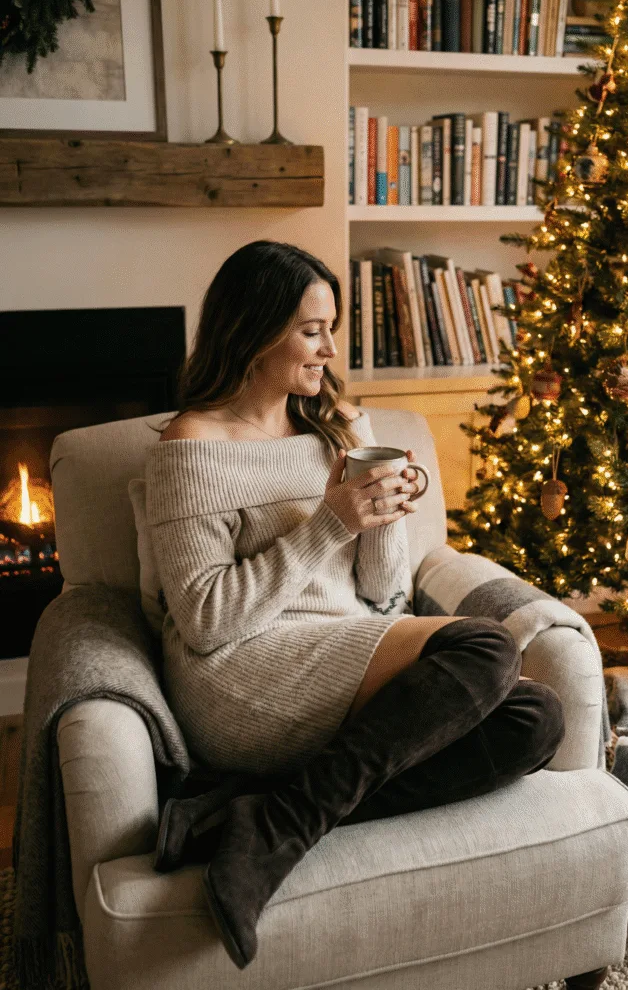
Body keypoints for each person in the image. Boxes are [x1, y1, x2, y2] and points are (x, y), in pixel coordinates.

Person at [144, 239, 565, 969]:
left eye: (330, 328)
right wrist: (332, 520)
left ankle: (264, 816)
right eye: (312, 330)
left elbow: (381, 596)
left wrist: (380, 511)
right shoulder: (192, 447)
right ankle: (280, 820)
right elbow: (207, 622)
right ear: (252, 331)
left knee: (536, 720)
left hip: (337, 653)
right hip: (240, 677)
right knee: (485, 647)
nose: (330, 348)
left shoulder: (330, 428)